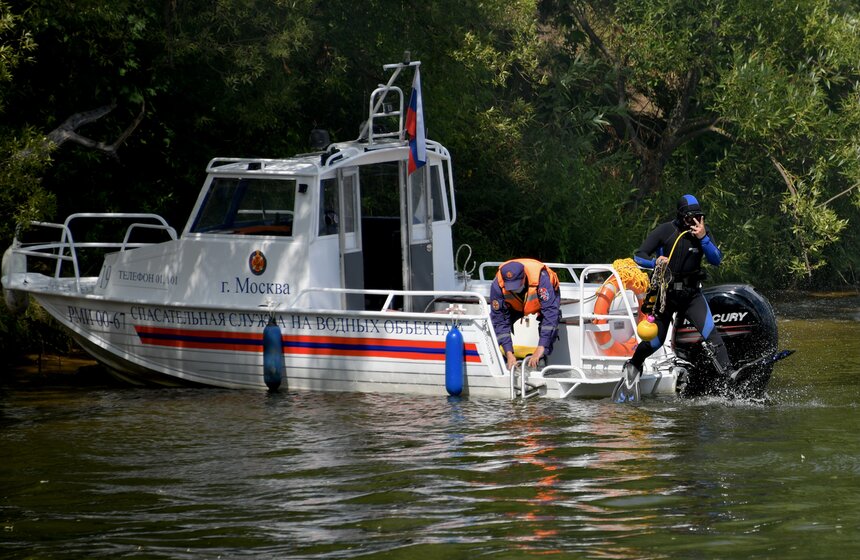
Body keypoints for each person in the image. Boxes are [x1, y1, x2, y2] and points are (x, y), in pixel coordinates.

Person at [619, 194, 733, 396]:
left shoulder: (702, 234)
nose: (694, 222)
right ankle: (634, 364)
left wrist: (703, 238)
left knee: (711, 334)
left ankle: (729, 376)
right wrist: (654, 263)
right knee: (656, 340)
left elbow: (716, 259)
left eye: (698, 217)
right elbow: (639, 255)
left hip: (691, 296)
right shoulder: (666, 230)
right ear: (681, 216)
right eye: (690, 217)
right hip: (667, 295)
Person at [490, 258, 561, 370]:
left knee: (551, 320)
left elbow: (550, 314)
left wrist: (540, 348)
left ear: (524, 277)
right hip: (515, 304)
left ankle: (542, 356)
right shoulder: (497, 285)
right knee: (494, 324)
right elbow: (499, 320)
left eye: (517, 285)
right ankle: (508, 359)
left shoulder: (541, 278)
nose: (514, 289)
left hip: (542, 301)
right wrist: (509, 353)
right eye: (511, 286)